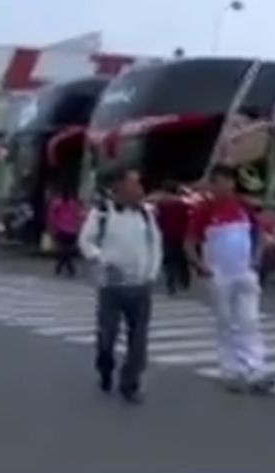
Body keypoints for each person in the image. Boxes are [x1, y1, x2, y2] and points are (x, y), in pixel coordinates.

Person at [186, 164, 275, 394]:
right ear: (211, 185)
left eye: (227, 182)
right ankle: (231, 370)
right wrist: (199, 264)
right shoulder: (204, 211)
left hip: (244, 272)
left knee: (250, 320)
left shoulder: (244, 207)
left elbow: (260, 235)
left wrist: (255, 260)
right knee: (227, 323)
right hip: (219, 275)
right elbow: (189, 242)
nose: (223, 187)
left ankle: (257, 369)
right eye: (217, 182)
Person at [78, 168, 161, 402]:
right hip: (111, 285)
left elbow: (155, 244)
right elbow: (85, 241)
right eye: (134, 184)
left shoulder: (146, 214)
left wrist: (151, 273)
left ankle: (130, 383)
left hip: (140, 285)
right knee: (107, 335)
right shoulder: (102, 212)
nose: (140, 189)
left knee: (139, 338)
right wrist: (101, 259)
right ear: (120, 188)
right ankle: (105, 366)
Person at [154, 180, 191, 295]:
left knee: (169, 260)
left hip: (167, 235)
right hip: (181, 234)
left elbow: (158, 220)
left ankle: (171, 284)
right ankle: (184, 281)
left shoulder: (161, 204)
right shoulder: (183, 204)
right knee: (182, 258)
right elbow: (187, 220)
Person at [47, 189, 84, 278]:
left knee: (64, 250)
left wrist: (52, 228)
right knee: (66, 250)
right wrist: (78, 227)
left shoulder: (57, 203)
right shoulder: (72, 204)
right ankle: (67, 269)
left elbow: (52, 217)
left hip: (62, 230)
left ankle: (61, 268)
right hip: (71, 231)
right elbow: (78, 216)